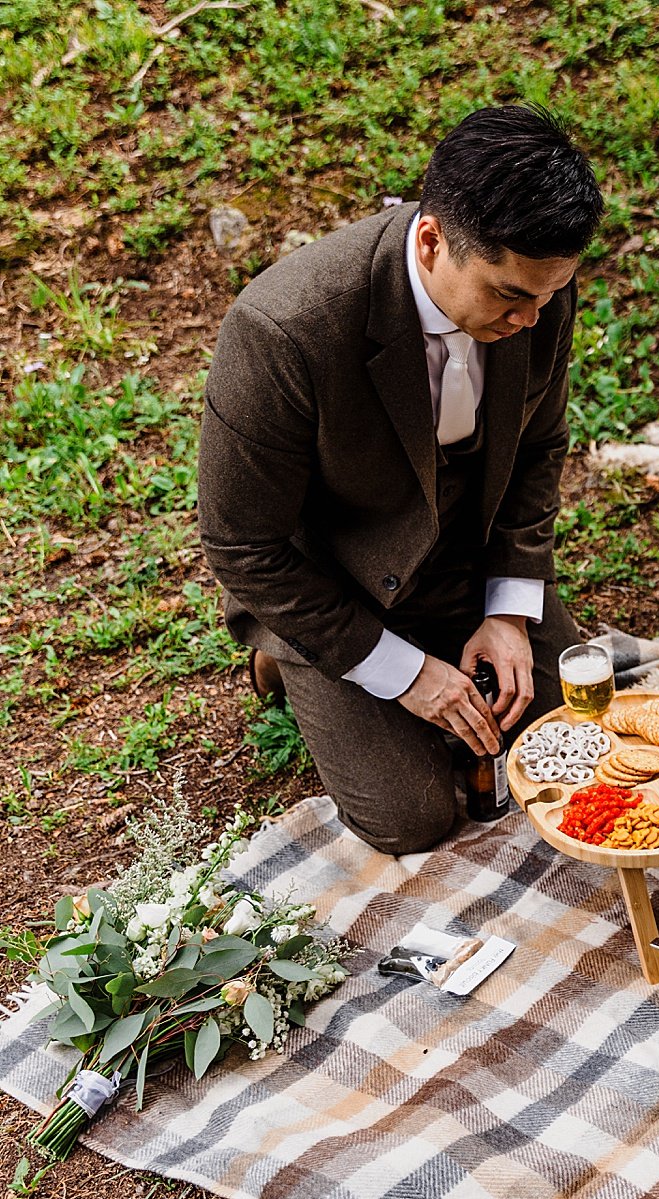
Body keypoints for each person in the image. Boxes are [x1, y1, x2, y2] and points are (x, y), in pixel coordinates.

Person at [198, 105, 604, 855]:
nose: (533, 318)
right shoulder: (283, 330)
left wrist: (511, 605)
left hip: (467, 560)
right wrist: (406, 671)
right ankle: (283, 658)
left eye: (549, 296)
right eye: (510, 296)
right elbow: (240, 543)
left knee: (581, 751)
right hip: (338, 583)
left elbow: (540, 445)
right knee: (412, 816)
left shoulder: (538, 288)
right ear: (430, 239)